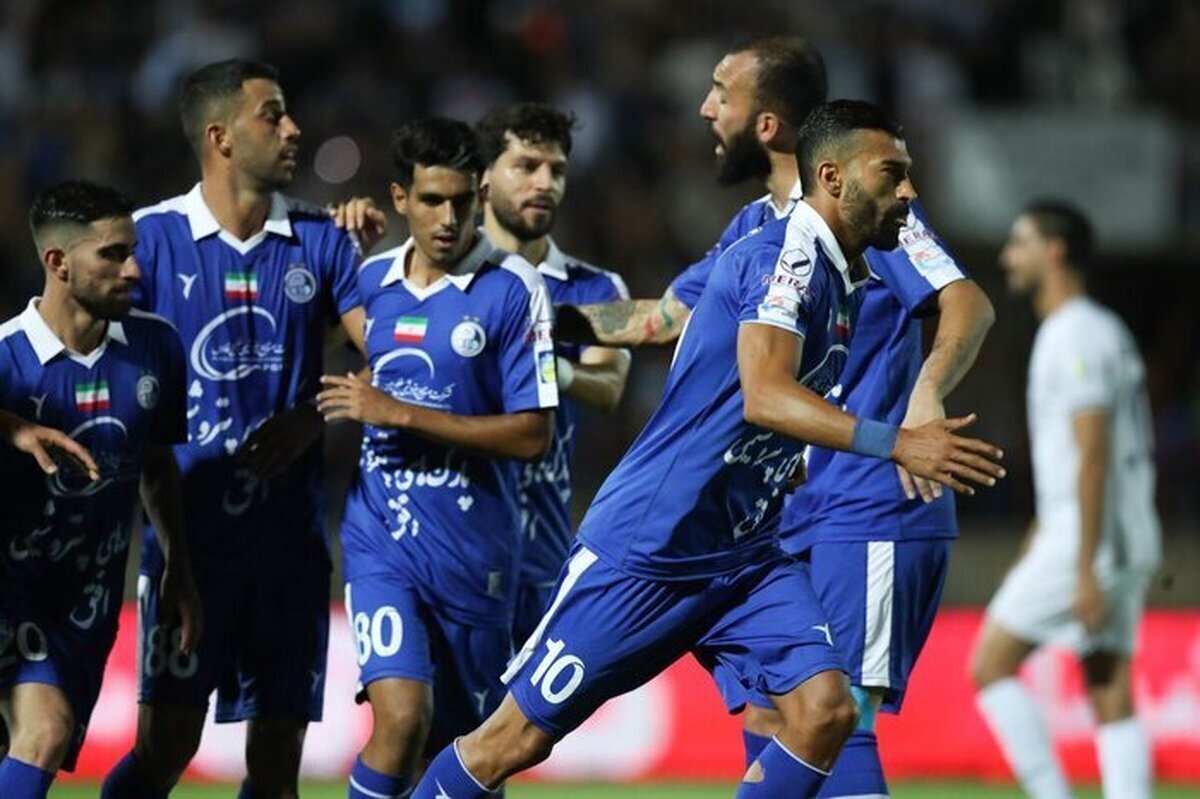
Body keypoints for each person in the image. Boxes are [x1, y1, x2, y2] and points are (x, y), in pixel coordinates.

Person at [409, 101, 1006, 799]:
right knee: (511, 741)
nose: (909, 190)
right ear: (832, 177)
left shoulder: (846, 274)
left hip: (743, 553)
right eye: (892, 173)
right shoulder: (785, 257)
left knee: (827, 711)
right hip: (650, 548)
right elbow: (765, 394)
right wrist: (896, 442)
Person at [100, 59, 383, 799]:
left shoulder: (321, 239)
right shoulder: (148, 243)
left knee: (278, 763)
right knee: (164, 749)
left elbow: (393, 360)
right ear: (220, 136)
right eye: (273, 114)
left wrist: (313, 413)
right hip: (187, 546)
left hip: (290, 546)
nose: (293, 129)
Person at [315, 118, 558, 799]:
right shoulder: (371, 281)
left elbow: (532, 435)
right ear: (400, 198)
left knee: (469, 751)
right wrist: (336, 245)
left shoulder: (513, 288)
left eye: (460, 201)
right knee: (400, 719)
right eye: (430, 201)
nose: (448, 218)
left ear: (479, 195)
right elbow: (311, 326)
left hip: (476, 553)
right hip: (382, 542)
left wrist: (401, 413)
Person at [0, 180, 200, 799]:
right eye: (112, 255)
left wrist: (177, 566)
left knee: (30, 746)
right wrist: (11, 428)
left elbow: (157, 464)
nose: (133, 270)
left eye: (132, 251)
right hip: (10, 587)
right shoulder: (6, 357)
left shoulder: (156, 347)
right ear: (58, 263)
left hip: (86, 603)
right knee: (44, 731)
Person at [971, 202, 1160, 799]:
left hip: (1093, 537)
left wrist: (1082, 566)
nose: (1008, 257)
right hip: (1117, 531)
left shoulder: (1072, 332)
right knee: (1107, 684)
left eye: (1019, 243)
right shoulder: (1101, 327)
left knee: (990, 665)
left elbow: (1092, 449)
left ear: (1054, 251)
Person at [476, 101, 631, 646]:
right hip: (451, 539)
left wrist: (548, 367)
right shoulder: (445, 274)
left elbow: (609, 387)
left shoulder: (596, 289)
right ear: (483, 176)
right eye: (526, 166)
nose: (544, 183)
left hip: (540, 546)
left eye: (557, 170)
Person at [554, 35, 824, 346]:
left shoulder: (846, 215)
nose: (705, 110)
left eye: (723, 98)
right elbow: (662, 319)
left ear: (766, 126)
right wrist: (542, 321)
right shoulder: (751, 225)